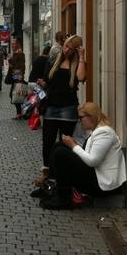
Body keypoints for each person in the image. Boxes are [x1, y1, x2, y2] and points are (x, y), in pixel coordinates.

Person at [38, 102, 126, 210]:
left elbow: (93, 161)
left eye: (81, 118)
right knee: (59, 146)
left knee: (60, 153)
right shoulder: (97, 130)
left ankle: (63, 198)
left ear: (91, 117)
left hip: (103, 185)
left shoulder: (104, 133)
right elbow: (88, 154)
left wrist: (73, 145)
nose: (80, 121)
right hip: (96, 175)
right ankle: (52, 185)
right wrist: (73, 146)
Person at [38, 35, 86, 167]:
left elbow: (81, 78)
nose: (66, 50)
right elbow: (47, 82)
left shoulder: (77, 64)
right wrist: (42, 83)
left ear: (76, 50)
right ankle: (47, 171)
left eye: (71, 48)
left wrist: (81, 57)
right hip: (51, 106)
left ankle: (62, 172)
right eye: (65, 46)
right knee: (47, 142)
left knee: (65, 143)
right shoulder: (54, 61)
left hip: (68, 108)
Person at [7, 50, 27, 120]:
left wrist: (12, 67)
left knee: (17, 97)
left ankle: (20, 113)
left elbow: (18, 72)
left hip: (18, 80)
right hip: (16, 80)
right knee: (15, 96)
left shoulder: (20, 63)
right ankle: (20, 113)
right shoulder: (17, 62)